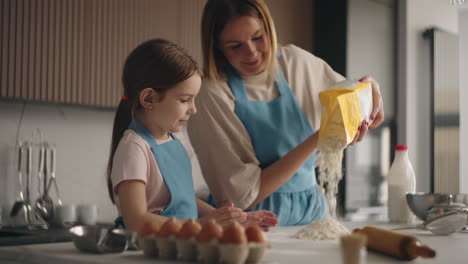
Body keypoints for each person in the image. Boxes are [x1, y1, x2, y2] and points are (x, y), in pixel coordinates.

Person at [187, 0, 384, 226]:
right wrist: (318, 138)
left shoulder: (294, 61)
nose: (251, 52)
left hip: (313, 213)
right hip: (254, 222)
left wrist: (369, 92)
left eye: (258, 37)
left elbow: (350, 103)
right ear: (217, 47)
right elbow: (242, 196)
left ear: (269, 28)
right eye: (235, 46)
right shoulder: (212, 93)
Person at [106, 39, 278, 233]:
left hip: (179, 247)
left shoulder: (175, 141)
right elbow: (136, 221)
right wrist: (202, 224)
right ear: (149, 98)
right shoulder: (134, 149)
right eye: (185, 100)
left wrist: (229, 218)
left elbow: (183, 199)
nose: (194, 109)